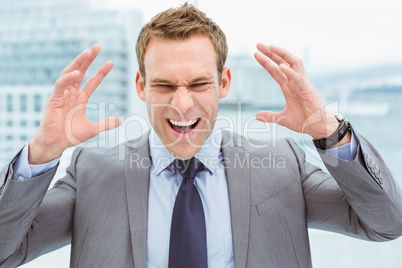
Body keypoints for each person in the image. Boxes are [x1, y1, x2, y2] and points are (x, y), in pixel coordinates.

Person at [1, 3, 401, 268]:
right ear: (140, 86)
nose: (182, 104)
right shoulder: (92, 171)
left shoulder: (283, 164)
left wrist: (329, 133)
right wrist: (42, 152)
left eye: (197, 84)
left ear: (223, 82)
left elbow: (385, 223)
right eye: (163, 86)